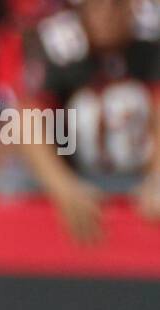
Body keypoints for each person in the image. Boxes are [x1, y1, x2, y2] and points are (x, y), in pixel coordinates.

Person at [19, 0, 160, 241]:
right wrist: (62, 185)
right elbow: (27, 121)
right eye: (95, 5)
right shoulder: (58, 42)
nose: (104, 14)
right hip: (77, 178)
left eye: (114, 5)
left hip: (140, 185)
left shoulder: (150, 40)